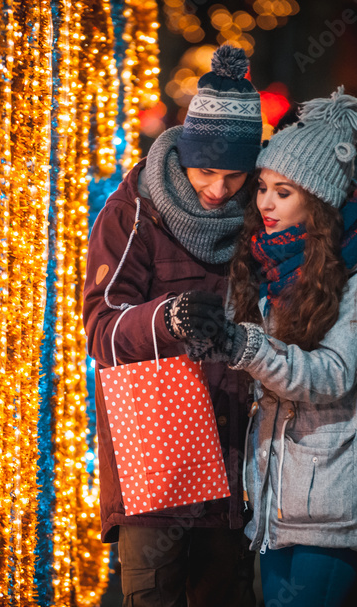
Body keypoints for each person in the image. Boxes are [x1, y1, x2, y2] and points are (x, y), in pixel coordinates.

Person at [183, 86, 357, 605]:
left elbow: (330, 374)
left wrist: (242, 345)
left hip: (338, 492)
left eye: (283, 191)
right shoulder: (272, 265)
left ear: (319, 198)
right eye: (263, 187)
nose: (264, 201)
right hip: (277, 496)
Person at [83, 44, 261, 607]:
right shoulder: (134, 210)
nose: (218, 189)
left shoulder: (261, 211)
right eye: (206, 170)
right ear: (184, 153)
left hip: (236, 457)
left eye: (234, 176)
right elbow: (100, 329)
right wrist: (168, 318)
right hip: (158, 460)